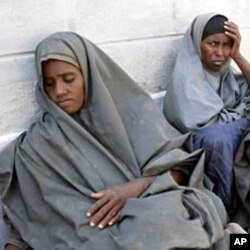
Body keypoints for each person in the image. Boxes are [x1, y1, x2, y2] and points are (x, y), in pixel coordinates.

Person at [0, 31, 232, 250]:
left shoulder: (132, 112)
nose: (59, 91)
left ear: (88, 75)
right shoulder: (35, 147)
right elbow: (28, 213)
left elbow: (182, 169)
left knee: (164, 216)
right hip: (88, 232)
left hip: (145, 207)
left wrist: (137, 187)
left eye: (68, 79)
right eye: (49, 83)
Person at [163, 13, 250, 223]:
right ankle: (226, 212)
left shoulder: (229, 77)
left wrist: (238, 56)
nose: (220, 53)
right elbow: (203, 129)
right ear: (197, 43)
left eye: (226, 45)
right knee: (218, 138)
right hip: (209, 145)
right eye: (212, 44)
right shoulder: (185, 82)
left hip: (227, 136)